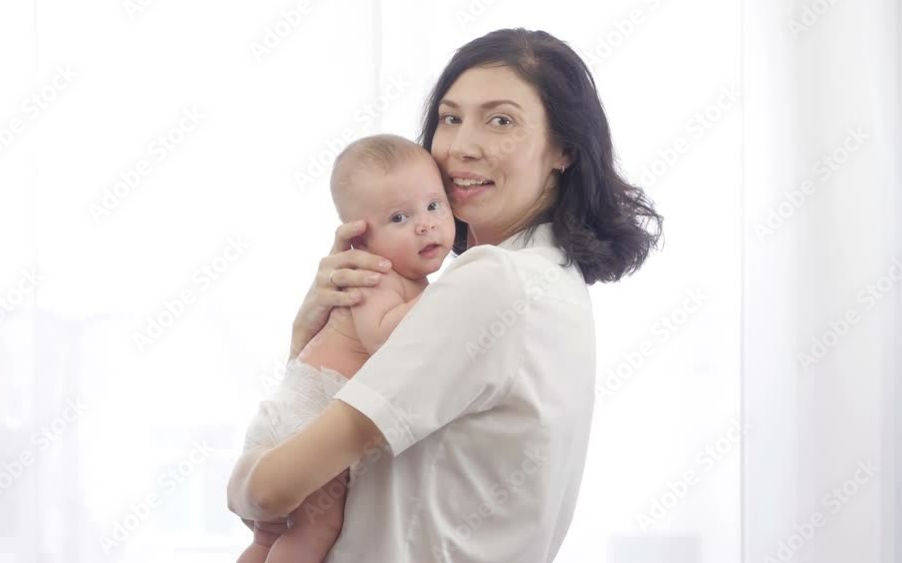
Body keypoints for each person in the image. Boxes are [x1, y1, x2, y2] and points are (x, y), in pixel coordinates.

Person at [227, 28, 663, 562]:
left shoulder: (494, 281)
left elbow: (272, 491)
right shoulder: (547, 277)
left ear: (564, 148)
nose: (461, 146)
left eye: (500, 120)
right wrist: (309, 337)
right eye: (450, 118)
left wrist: (244, 479)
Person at [233, 134, 456, 563]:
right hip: (311, 415)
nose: (425, 224)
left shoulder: (396, 278)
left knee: (269, 538)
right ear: (360, 239)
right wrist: (445, 296)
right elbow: (381, 336)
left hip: (294, 411)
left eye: (434, 205)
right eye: (398, 217)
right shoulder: (375, 276)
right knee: (319, 529)